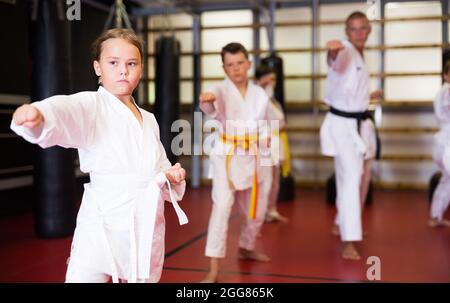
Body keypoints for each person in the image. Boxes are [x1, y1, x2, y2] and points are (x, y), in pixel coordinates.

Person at [10, 28, 188, 283]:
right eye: (113, 63)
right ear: (98, 68)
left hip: (144, 220)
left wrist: (171, 173)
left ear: (141, 69)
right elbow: (67, 110)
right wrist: (40, 116)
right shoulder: (93, 106)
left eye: (131, 64)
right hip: (103, 219)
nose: (123, 71)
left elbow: (158, 163)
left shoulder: (148, 119)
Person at [199, 42, 273, 282]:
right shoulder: (219, 90)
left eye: (240, 62)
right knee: (221, 208)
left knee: (257, 209)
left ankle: (246, 246)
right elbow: (210, 106)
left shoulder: (260, 94)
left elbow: (265, 124)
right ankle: (214, 269)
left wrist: (266, 138)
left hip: (253, 155)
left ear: (248, 64)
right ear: (224, 68)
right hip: (227, 158)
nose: (236, 68)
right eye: (230, 65)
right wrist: (207, 100)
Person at [320, 11, 382, 260]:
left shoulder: (361, 56)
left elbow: (349, 91)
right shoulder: (345, 50)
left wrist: (369, 97)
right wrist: (331, 52)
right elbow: (336, 62)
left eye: (362, 28)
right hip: (342, 126)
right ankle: (349, 240)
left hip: (356, 123)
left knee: (359, 176)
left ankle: (340, 222)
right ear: (346, 32)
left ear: (369, 30)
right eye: (353, 29)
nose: (359, 33)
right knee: (350, 180)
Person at [254, 65, 289, 223]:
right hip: (264, 142)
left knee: (275, 180)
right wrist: (261, 85)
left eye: (273, 79)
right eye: (268, 79)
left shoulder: (273, 100)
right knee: (265, 182)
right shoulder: (256, 96)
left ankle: (271, 210)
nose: (271, 82)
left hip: (277, 140)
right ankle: (257, 218)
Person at [429, 60, 450, 228]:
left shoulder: (442, 92)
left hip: (443, 141)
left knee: (447, 180)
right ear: (445, 75)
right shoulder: (446, 91)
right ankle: (435, 216)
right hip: (446, 144)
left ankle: (436, 216)